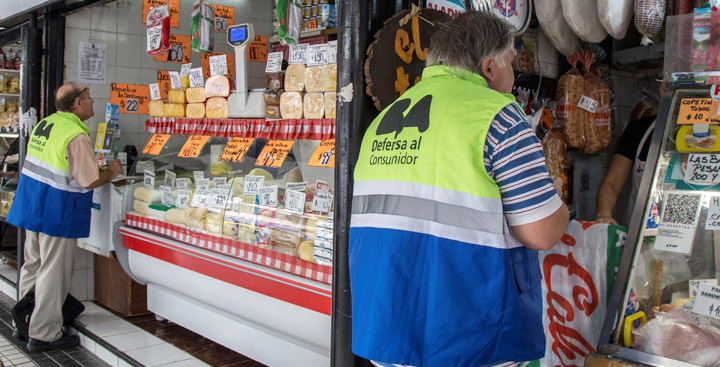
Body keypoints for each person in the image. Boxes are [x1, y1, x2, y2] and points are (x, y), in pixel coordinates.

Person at [349, 11, 569, 367]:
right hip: (467, 335)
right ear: (489, 68)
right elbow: (540, 232)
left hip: (388, 328)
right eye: (511, 64)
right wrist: (557, 200)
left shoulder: (385, 119)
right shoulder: (499, 115)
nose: (513, 76)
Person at [6, 83, 122, 352]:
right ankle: (44, 334)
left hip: (34, 204)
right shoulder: (75, 134)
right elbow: (90, 179)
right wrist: (112, 171)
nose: (93, 101)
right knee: (53, 272)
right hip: (56, 209)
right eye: (88, 98)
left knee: (32, 265)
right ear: (77, 104)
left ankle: (22, 322)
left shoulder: (47, 124)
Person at [595, 79, 663, 225]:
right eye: (663, 83)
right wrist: (604, 214)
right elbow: (612, 184)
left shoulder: (713, 133)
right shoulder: (639, 129)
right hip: (640, 233)